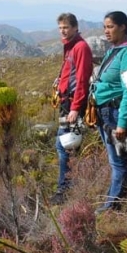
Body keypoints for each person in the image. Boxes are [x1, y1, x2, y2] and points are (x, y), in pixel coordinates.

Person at [93, 11, 127, 214]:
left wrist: (122, 123)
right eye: (105, 27)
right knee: (115, 160)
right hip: (106, 112)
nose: (106, 31)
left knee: (118, 162)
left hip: (115, 113)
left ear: (123, 27)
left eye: (111, 26)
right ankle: (114, 203)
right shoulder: (115, 50)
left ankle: (113, 208)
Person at [50, 13, 94, 205]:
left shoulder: (80, 47)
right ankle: (68, 185)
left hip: (72, 105)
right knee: (67, 145)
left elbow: (83, 79)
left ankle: (64, 189)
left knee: (65, 145)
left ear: (76, 27)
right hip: (66, 102)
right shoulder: (69, 46)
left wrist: (76, 108)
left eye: (66, 27)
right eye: (60, 28)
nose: (63, 31)